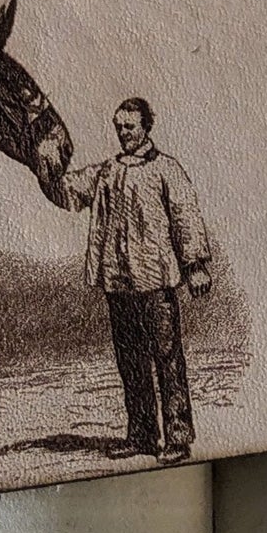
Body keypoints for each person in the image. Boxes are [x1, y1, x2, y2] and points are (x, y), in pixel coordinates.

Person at [61, 97, 212, 460]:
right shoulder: (107, 171)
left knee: (167, 358)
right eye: (118, 127)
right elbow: (67, 190)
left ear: (146, 127)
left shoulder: (167, 169)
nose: (123, 133)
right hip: (118, 283)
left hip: (156, 283)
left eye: (129, 126)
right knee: (131, 362)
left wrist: (196, 267)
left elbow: (186, 218)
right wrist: (42, 164)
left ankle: (177, 437)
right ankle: (142, 436)